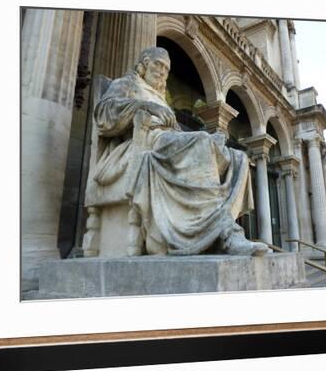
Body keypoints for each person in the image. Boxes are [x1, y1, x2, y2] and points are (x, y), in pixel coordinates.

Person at [87, 46, 268, 256]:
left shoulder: (161, 97)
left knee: (238, 157)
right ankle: (225, 234)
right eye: (158, 64)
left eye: (166, 68)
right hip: (144, 142)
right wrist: (144, 107)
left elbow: (176, 132)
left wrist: (208, 139)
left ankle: (215, 230)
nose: (163, 71)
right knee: (200, 141)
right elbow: (103, 114)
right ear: (144, 64)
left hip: (167, 141)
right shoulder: (127, 84)